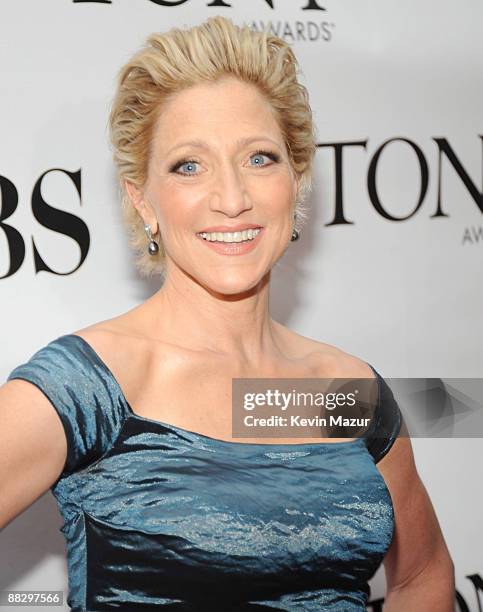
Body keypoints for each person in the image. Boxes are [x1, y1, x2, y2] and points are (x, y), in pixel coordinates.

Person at [0, 16, 454, 612]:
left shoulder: (347, 390)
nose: (232, 197)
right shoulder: (89, 387)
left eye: (260, 158)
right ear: (143, 201)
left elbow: (423, 574)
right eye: (189, 165)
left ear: (296, 180)